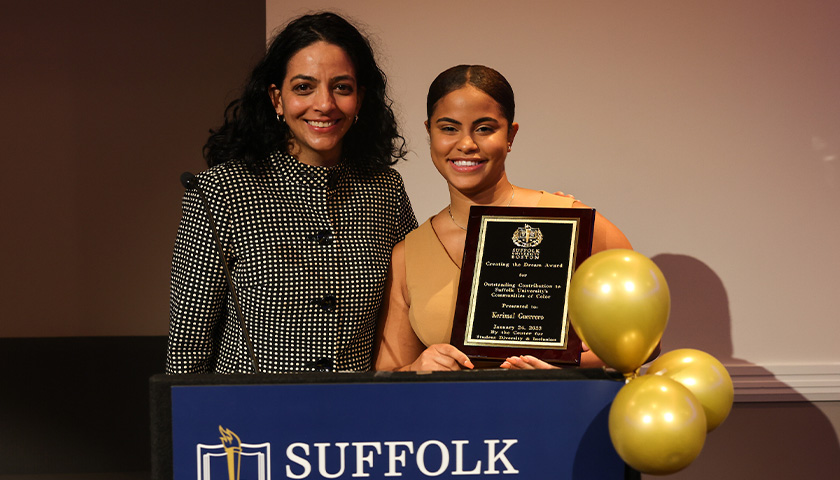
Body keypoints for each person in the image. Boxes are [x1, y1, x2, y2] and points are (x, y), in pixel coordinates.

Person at [166, 12, 417, 374]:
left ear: (360, 99)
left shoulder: (385, 191)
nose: (325, 104)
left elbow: (405, 316)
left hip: (354, 422)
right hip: (250, 425)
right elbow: (187, 352)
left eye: (342, 87)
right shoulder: (219, 192)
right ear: (277, 99)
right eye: (304, 87)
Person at [373, 65, 632, 372]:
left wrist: (564, 367)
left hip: (553, 415)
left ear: (510, 134)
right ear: (430, 132)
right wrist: (419, 368)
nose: (466, 144)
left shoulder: (569, 222)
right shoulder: (409, 254)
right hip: (453, 419)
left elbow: (642, 343)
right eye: (449, 128)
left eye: (484, 128)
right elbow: (387, 376)